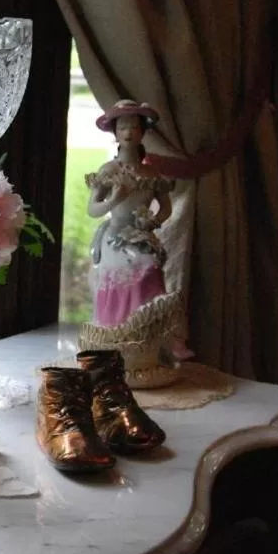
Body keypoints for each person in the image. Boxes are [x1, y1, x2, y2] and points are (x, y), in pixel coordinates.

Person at [86, 100, 193, 360]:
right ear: (115, 133)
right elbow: (93, 209)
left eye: (134, 127)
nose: (128, 132)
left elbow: (165, 208)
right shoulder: (109, 171)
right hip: (115, 235)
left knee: (150, 267)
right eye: (122, 127)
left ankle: (153, 339)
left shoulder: (151, 172)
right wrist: (114, 199)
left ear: (142, 131)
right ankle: (115, 335)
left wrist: (152, 222)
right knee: (126, 270)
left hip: (141, 235)